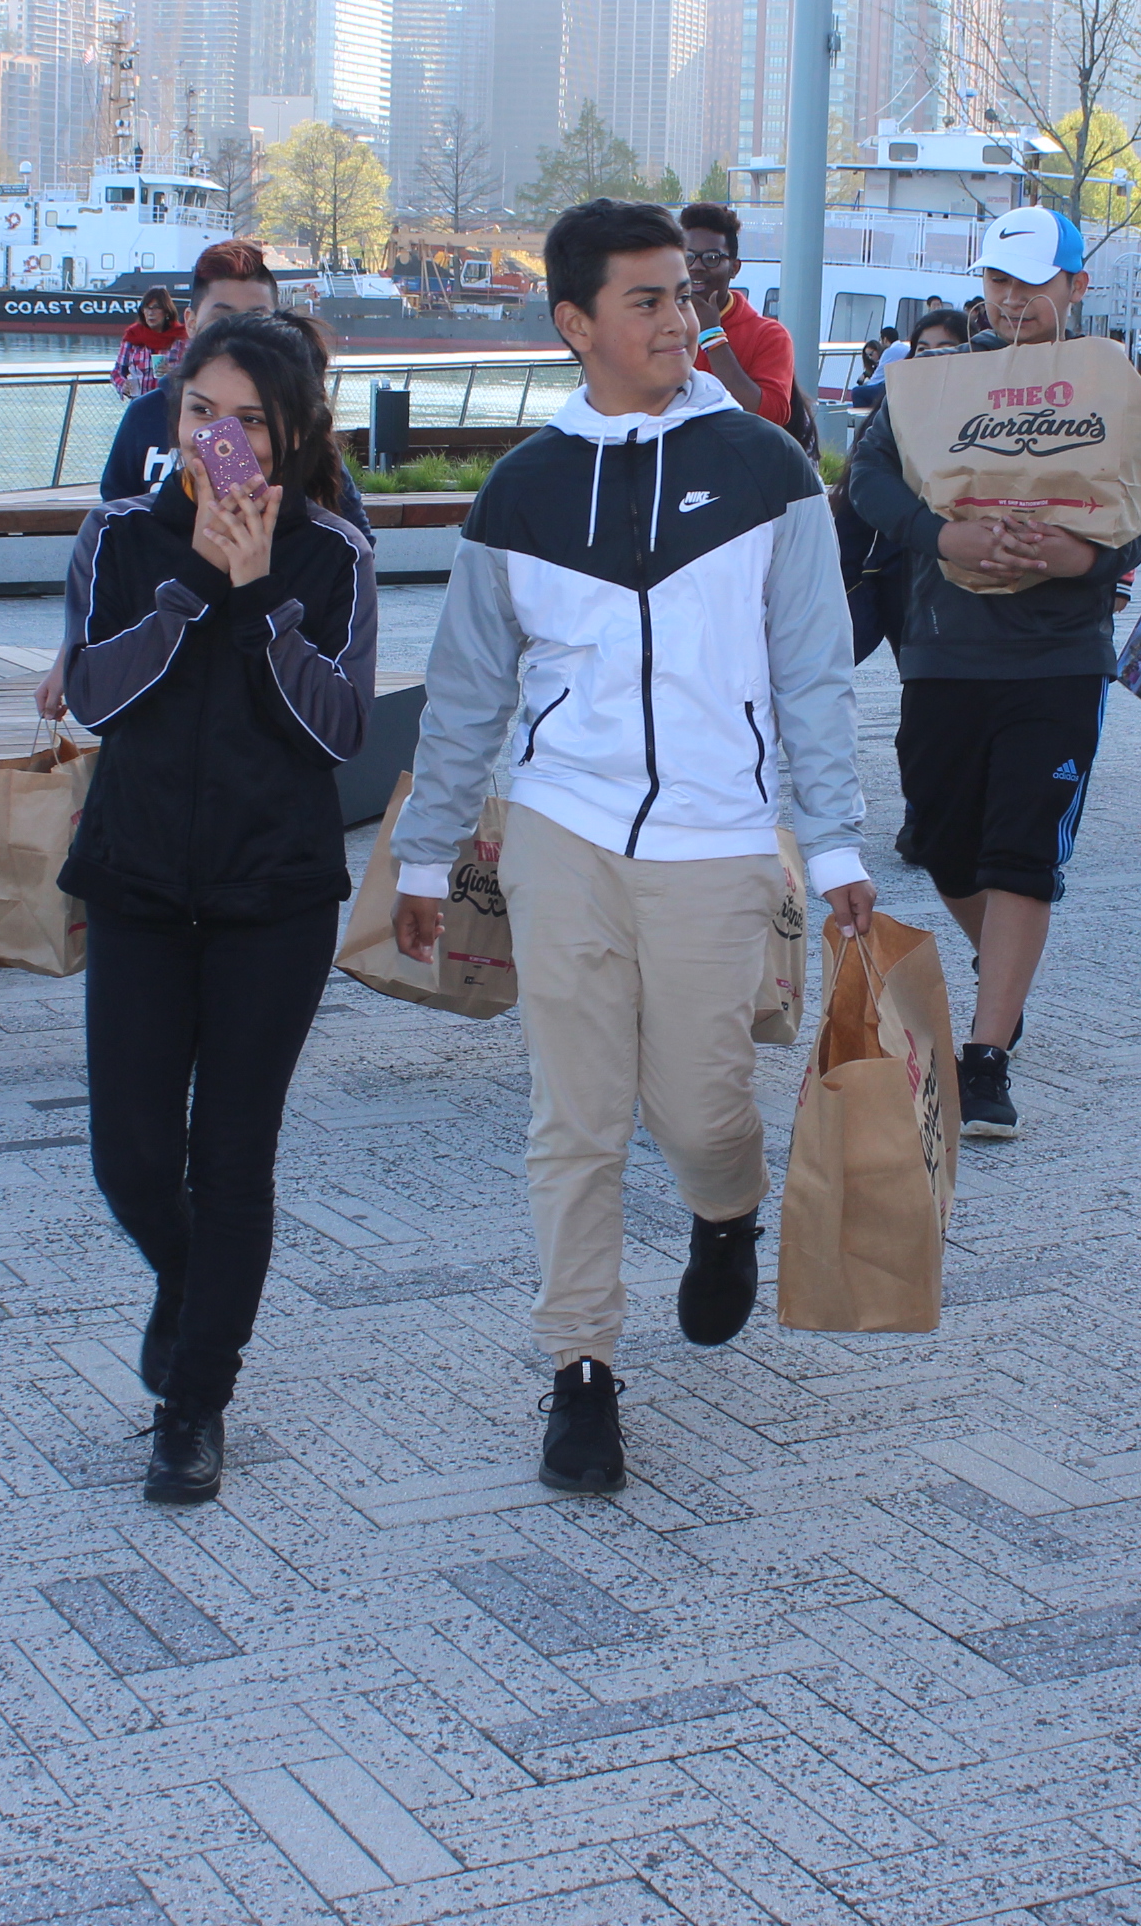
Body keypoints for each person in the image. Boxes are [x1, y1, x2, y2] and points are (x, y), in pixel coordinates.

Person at [389, 198, 871, 1496]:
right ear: (576, 323)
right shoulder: (523, 491)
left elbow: (814, 674)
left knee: (698, 1108)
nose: (679, 318)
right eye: (647, 299)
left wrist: (834, 846)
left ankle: (728, 1209)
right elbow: (469, 691)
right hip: (564, 831)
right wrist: (426, 858)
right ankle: (581, 1371)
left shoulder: (769, 470)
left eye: (685, 295)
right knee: (578, 1116)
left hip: (720, 839)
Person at [56, 309, 378, 1506]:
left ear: (291, 434)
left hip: (273, 894)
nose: (219, 439)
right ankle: (190, 1288)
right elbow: (95, 698)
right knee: (132, 1156)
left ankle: (195, 1401)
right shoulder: (119, 534)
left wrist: (255, 599)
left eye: (247, 420)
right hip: (139, 879)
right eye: (200, 412)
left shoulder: (333, 554)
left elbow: (334, 733)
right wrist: (194, 582)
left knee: (232, 1157)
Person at [843, 205, 1141, 1140]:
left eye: (1032, 281)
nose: (1012, 298)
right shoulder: (936, 379)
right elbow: (869, 478)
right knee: (945, 842)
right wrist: (938, 534)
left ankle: (986, 1057)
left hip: (1059, 654)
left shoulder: (1109, 380)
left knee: (1023, 849)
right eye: (997, 280)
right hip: (944, 645)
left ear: (1076, 285)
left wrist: (1087, 558)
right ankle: (1005, 981)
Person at [101, 241, 283, 501]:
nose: (239, 332)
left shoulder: (295, 417)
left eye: (256, 319)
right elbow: (117, 506)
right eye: (222, 319)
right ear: (191, 323)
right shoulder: (145, 414)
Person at [679, 199, 803, 442]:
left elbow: (771, 415)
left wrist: (712, 336)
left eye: (712, 258)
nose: (696, 267)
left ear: (734, 268)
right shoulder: (660, 324)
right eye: (688, 257)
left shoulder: (769, 335)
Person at [111, 284, 188, 404]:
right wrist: (123, 385)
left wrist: (173, 373)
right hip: (139, 403)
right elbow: (117, 372)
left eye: (156, 308)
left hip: (171, 405)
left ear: (166, 311)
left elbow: (194, 372)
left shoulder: (181, 337)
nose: (151, 313)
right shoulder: (133, 336)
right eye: (147, 308)